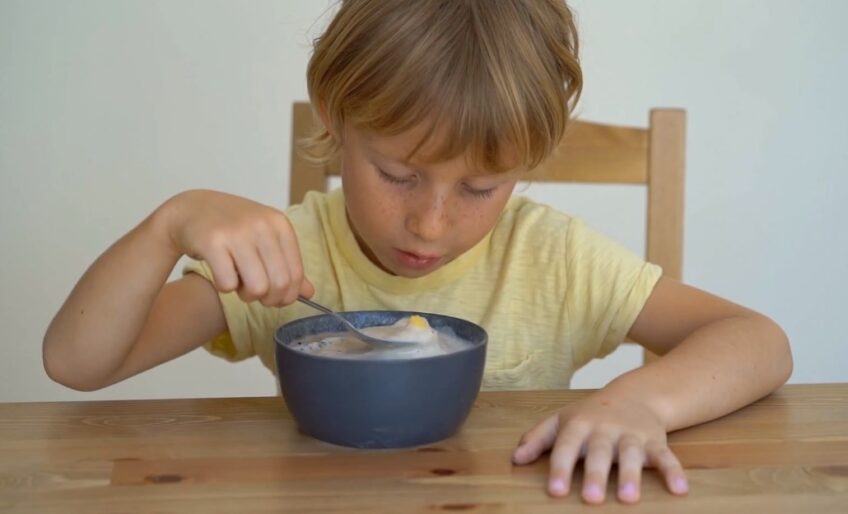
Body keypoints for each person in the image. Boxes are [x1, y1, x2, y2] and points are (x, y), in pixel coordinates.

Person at [42, 0, 792, 505]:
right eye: (398, 175)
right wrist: (167, 225)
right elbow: (80, 363)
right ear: (337, 118)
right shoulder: (289, 256)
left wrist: (637, 401)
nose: (430, 225)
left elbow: (760, 341)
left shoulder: (554, 259)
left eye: (480, 188)